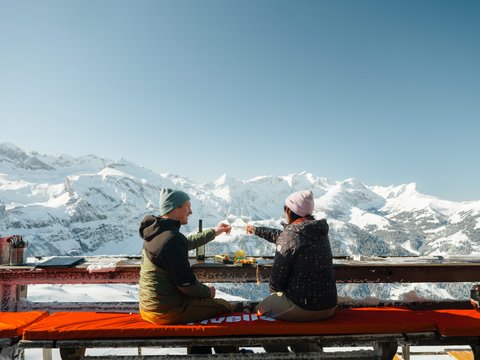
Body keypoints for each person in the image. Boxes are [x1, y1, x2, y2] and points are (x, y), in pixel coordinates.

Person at [139, 188, 236, 354]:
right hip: (166, 311)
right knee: (224, 307)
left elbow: (185, 242)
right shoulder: (170, 238)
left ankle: (200, 353)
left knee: (205, 310)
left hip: (149, 307)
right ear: (175, 209)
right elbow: (187, 285)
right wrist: (208, 292)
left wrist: (214, 232)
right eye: (187, 207)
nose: (190, 211)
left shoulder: (158, 231)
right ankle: (229, 355)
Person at [246, 190, 337, 352]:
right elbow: (285, 237)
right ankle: (308, 352)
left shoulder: (292, 235)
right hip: (329, 305)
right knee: (288, 317)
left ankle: (281, 355)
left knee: (260, 313)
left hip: (305, 307)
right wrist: (257, 230)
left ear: (289, 210)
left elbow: (276, 285)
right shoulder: (318, 231)